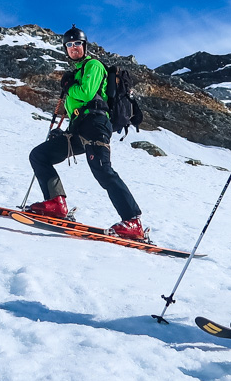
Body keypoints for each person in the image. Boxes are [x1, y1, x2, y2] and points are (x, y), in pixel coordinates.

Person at [25, 26, 148, 241]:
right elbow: (76, 108)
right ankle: (55, 203)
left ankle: (133, 222)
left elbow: (86, 93)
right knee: (40, 155)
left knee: (102, 170)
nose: (73, 48)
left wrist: (70, 87)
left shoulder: (93, 65)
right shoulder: (77, 72)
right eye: (69, 45)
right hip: (78, 127)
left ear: (85, 46)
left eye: (77, 44)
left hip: (97, 124)